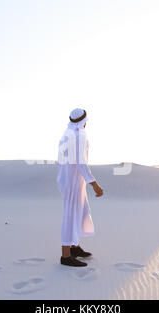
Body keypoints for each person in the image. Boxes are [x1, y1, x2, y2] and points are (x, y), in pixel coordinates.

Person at [57, 108, 104, 267]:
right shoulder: (77, 137)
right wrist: (95, 184)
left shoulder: (67, 134)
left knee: (78, 213)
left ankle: (74, 247)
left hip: (71, 181)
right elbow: (81, 162)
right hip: (72, 182)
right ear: (83, 121)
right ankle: (65, 256)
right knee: (70, 216)